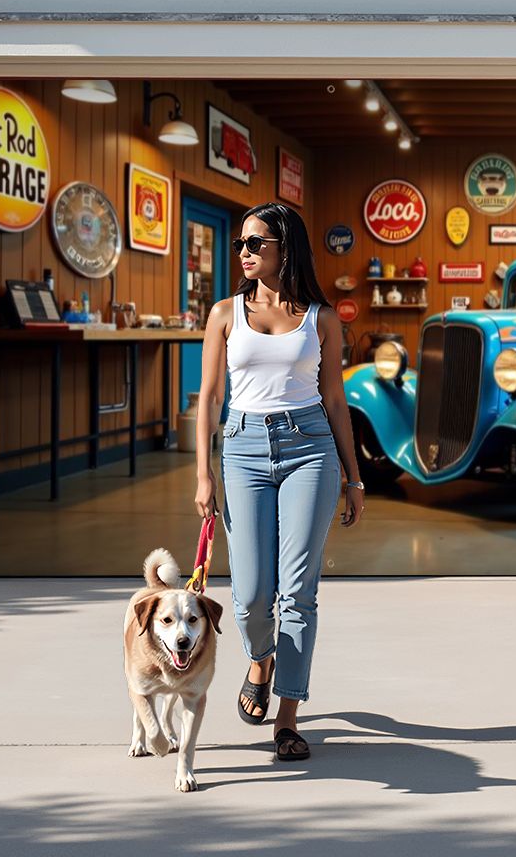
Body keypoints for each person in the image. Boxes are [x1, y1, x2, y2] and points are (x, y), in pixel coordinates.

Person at [193, 201, 365, 762]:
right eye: (241, 243)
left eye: (254, 243)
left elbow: (335, 399)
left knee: (297, 592)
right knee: (248, 597)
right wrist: (203, 473)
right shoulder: (224, 314)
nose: (242, 252)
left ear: (284, 248)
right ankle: (260, 658)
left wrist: (353, 476)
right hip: (242, 448)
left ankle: (288, 718)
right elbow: (210, 400)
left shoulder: (322, 319)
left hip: (309, 448)